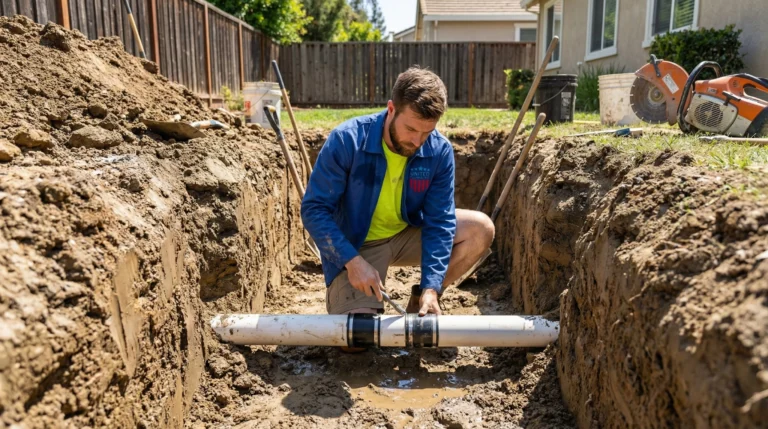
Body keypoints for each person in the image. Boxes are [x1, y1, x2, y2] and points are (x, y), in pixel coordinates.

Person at [301, 66, 495, 325]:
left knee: (480, 229)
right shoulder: (348, 140)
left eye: (427, 132)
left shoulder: (438, 150)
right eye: (411, 129)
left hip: (407, 233)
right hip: (359, 244)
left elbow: (440, 222)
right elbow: (314, 209)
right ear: (391, 109)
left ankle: (423, 299)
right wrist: (352, 262)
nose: (417, 142)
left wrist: (432, 286)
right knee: (358, 336)